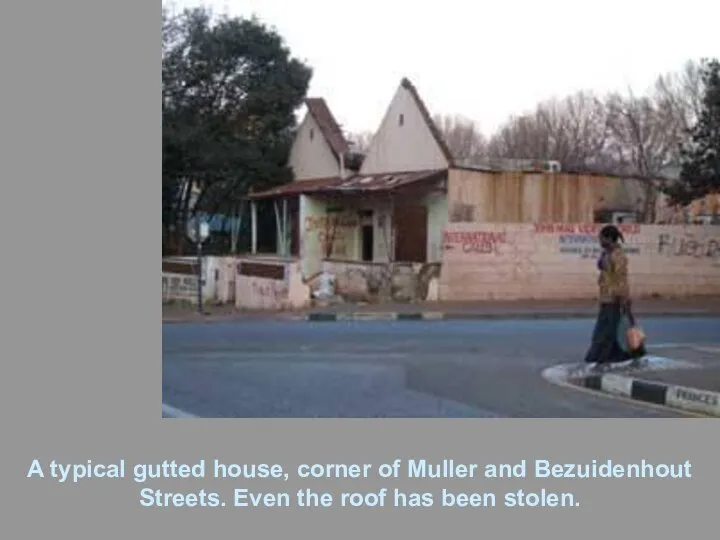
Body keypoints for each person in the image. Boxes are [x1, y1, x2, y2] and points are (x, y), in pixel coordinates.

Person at [583, 224, 640, 368]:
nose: (600, 241)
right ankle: (607, 356)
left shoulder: (618, 256)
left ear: (609, 238)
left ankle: (606, 357)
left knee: (610, 330)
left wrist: (623, 298)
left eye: (602, 238)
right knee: (607, 328)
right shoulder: (607, 253)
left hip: (615, 298)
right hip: (606, 297)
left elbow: (620, 279)